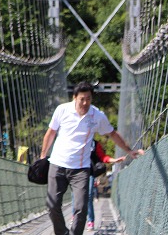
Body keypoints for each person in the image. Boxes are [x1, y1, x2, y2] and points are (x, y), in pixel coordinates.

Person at [39, 81, 143, 235]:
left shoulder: (97, 116)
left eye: (88, 99)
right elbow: (51, 133)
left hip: (81, 169)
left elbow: (112, 133)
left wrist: (129, 150)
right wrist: (43, 156)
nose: (85, 103)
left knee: (81, 208)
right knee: (52, 205)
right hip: (57, 164)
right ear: (74, 98)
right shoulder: (62, 110)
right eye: (82, 99)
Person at [70, 139, 125, 231]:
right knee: (75, 195)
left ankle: (90, 221)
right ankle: (75, 217)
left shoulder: (94, 143)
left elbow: (102, 157)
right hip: (75, 172)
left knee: (89, 196)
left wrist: (114, 160)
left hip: (89, 172)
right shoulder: (75, 140)